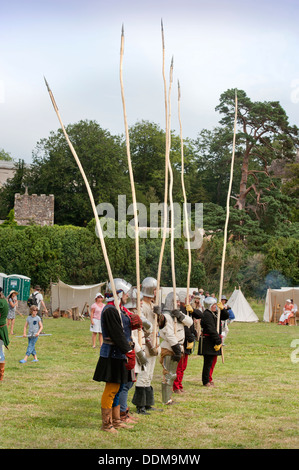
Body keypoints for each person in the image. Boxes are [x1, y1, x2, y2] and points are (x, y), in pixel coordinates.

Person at [93, 278, 142, 433]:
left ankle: (116, 420)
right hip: (113, 354)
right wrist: (128, 351)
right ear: (119, 293)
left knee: (119, 387)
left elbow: (123, 330)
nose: (127, 296)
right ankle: (106, 424)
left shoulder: (118, 309)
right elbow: (117, 334)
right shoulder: (110, 310)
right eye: (125, 294)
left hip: (119, 353)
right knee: (111, 389)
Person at [159, 291, 193, 405]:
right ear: (171, 302)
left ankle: (169, 398)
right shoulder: (166, 316)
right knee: (168, 374)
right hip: (169, 347)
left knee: (173, 374)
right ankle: (166, 399)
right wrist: (176, 348)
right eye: (176, 301)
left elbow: (190, 322)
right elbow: (168, 334)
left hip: (178, 346)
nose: (179, 303)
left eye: (179, 301)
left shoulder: (177, 315)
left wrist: (180, 315)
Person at [132, 277, 159, 415]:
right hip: (144, 340)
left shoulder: (154, 304)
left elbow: (159, 324)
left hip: (154, 341)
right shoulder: (140, 304)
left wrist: (160, 315)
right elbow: (141, 321)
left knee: (149, 374)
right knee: (143, 373)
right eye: (155, 289)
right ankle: (140, 405)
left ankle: (147, 403)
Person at [172, 291, 203, 394]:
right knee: (180, 366)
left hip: (188, 340)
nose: (189, 299)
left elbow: (199, 315)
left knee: (183, 366)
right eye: (187, 298)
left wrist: (192, 310)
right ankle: (176, 386)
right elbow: (185, 327)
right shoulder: (179, 311)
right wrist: (190, 338)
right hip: (183, 341)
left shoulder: (188, 309)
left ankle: (179, 384)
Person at [197, 296, 229, 387]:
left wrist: (222, 309)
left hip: (214, 339)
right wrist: (218, 341)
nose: (215, 306)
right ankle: (206, 380)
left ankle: (210, 378)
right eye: (214, 305)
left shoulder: (215, 313)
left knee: (213, 361)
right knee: (208, 362)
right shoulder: (207, 314)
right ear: (209, 305)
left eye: (216, 304)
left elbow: (225, 317)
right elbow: (211, 329)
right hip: (208, 340)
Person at [0, 287, 9, 381]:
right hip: (2, 328)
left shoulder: (1, 302)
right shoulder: (4, 301)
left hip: (0, 329)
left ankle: (1, 375)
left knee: (0, 353)